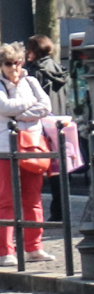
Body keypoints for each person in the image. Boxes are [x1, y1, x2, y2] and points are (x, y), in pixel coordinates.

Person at [0, 42, 53, 266]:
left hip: (31, 146)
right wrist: (27, 107)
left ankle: (34, 247)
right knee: (6, 201)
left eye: (18, 62)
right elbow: (4, 107)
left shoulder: (30, 81)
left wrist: (19, 114)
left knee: (33, 199)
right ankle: (5, 251)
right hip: (4, 148)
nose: (14, 67)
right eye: (9, 63)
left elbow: (46, 106)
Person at [26, 36, 68, 222]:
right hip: (58, 122)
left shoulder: (35, 72)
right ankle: (60, 209)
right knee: (59, 170)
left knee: (34, 168)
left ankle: (37, 212)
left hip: (41, 124)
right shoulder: (58, 69)